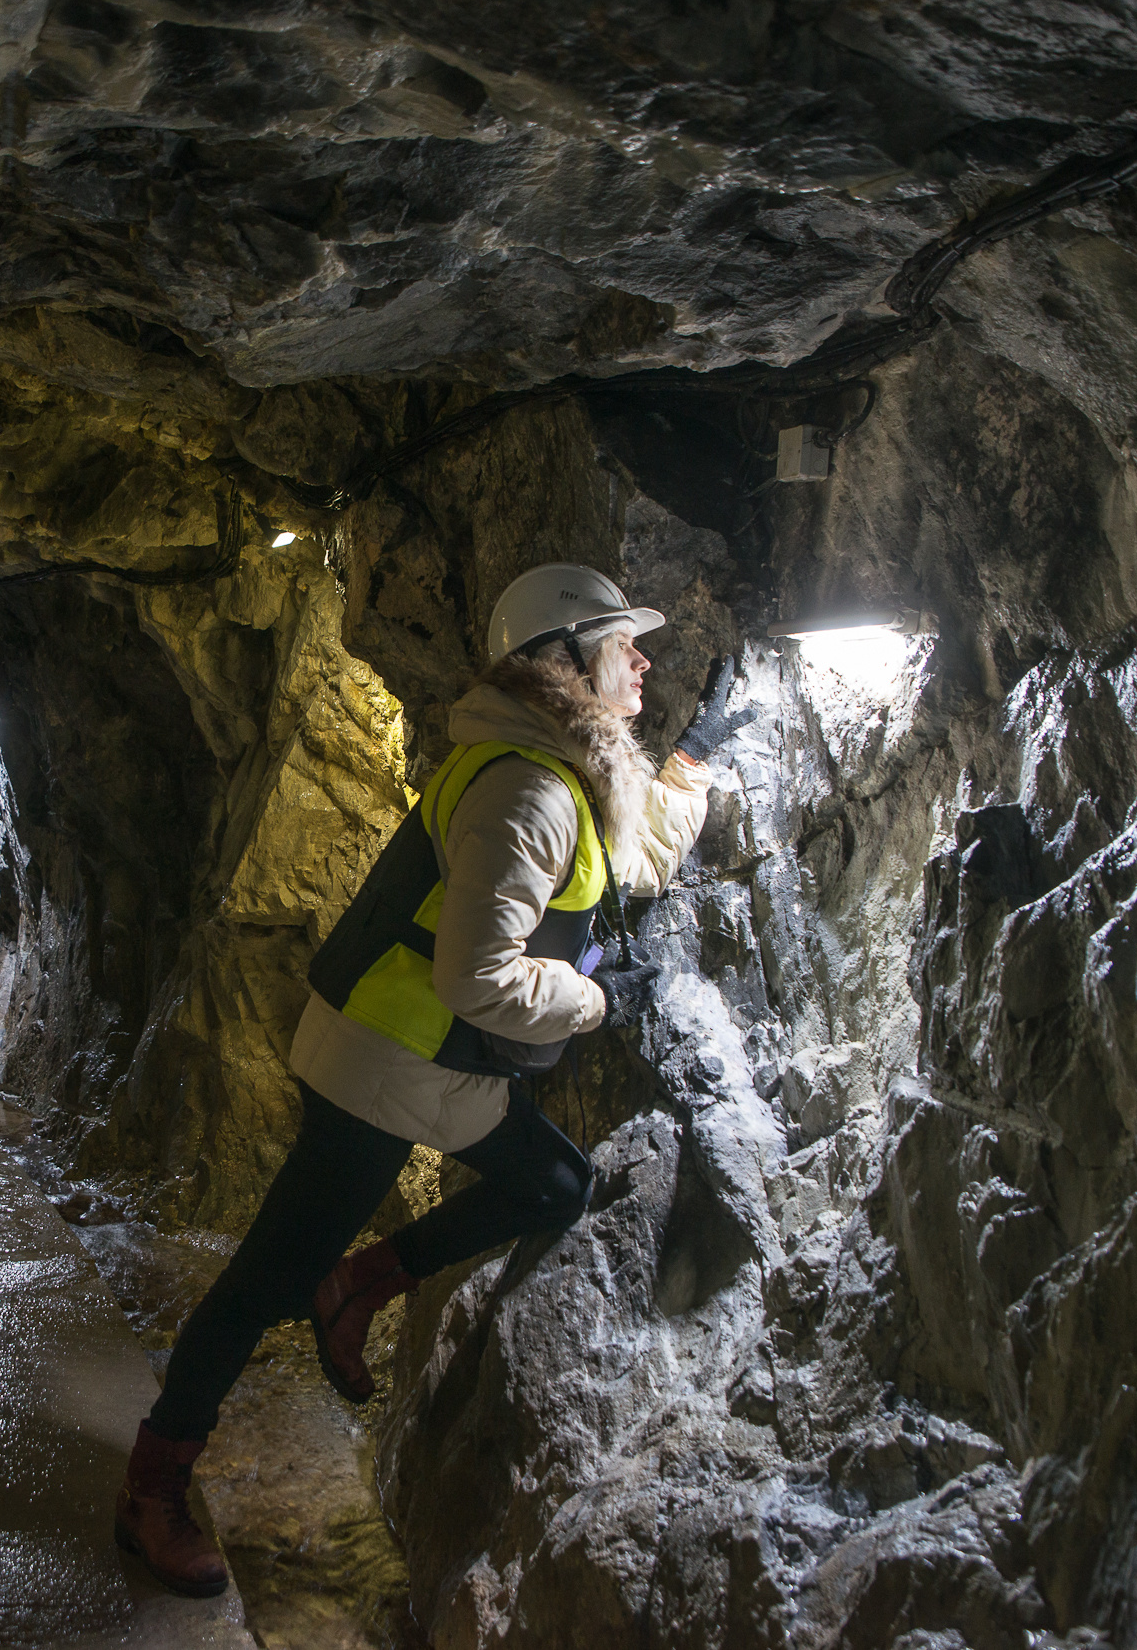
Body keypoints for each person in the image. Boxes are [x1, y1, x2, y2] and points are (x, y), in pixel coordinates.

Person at [113, 563, 754, 1598]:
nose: (642, 661)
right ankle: (152, 1486)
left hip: (436, 1064)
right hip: (386, 1062)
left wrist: (690, 762)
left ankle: (355, 1284)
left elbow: (628, 860)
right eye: (620, 644)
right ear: (563, 661)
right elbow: (477, 976)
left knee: (553, 1185)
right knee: (260, 1283)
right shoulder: (525, 788)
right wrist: (600, 1001)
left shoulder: (562, 766)